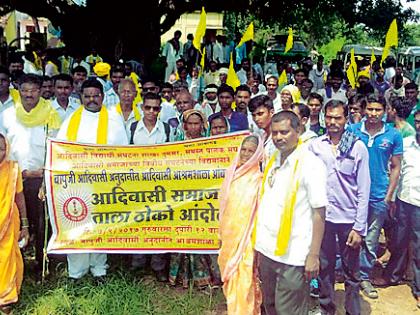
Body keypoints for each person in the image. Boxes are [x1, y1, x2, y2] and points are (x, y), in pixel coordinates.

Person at [255, 111, 328, 315]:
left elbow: (319, 213)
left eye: (285, 132)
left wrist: (313, 255)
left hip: (293, 255)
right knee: (269, 306)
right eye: (275, 132)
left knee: (289, 310)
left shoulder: (311, 164)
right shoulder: (273, 159)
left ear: (299, 130)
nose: (279, 137)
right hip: (267, 249)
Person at [56, 78, 128, 281]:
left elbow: (123, 153)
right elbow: (61, 151)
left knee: (100, 225)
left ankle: (99, 269)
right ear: (81, 98)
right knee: (77, 224)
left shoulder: (114, 120)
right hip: (76, 185)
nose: (91, 100)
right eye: (87, 96)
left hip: (104, 185)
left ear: (102, 97)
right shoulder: (71, 120)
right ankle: (76, 272)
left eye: (96, 96)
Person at [309, 100, 370, 315]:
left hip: (348, 219)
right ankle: (327, 308)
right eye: (329, 117)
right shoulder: (315, 146)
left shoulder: (357, 146)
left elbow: (364, 189)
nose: (333, 122)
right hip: (323, 218)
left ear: (346, 120)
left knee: (351, 270)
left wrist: (359, 227)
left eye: (338, 118)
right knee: (324, 267)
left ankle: (353, 310)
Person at [0, 74, 61, 274]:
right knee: (13, 223)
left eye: (33, 90)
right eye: (25, 90)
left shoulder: (50, 114)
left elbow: (55, 148)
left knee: (42, 225)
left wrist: (45, 176)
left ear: (40, 91)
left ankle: (42, 265)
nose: (29, 94)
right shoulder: (8, 114)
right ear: (19, 90)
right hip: (12, 179)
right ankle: (15, 265)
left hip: (40, 180)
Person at [349, 95, 403, 299]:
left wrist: (388, 196)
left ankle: (363, 277)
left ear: (385, 110)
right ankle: (347, 273)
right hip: (352, 195)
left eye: (378, 110)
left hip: (379, 195)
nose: (373, 114)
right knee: (350, 235)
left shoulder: (393, 135)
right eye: (370, 109)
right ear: (363, 110)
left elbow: (396, 167)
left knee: (370, 241)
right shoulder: (353, 131)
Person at [372, 110, 420, 309]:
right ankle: (393, 276)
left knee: (418, 247)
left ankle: (418, 290)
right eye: (417, 122)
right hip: (403, 200)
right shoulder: (407, 144)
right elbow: (397, 169)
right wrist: (391, 198)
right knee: (398, 241)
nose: (419, 125)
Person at [218, 135, 264, 314]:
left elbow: (259, 214)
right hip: (229, 239)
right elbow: (224, 209)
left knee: (245, 279)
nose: (246, 154)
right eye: (243, 150)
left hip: (247, 240)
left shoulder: (259, 180)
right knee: (231, 281)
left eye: (251, 151)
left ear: (257, 154)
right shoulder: (231, 175)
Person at [0, 133, 30, 315]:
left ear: (7, 149)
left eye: (1, 149)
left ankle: (6, 297)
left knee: (8, 257)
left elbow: (19, 197)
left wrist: (25, 226)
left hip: (10, 220)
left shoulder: (13, 170)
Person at [249, 95, 275, 160]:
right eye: (253, 115)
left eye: (260, 114)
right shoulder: (263, 136)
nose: (256, 119)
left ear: (271, 112)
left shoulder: (279, 137)